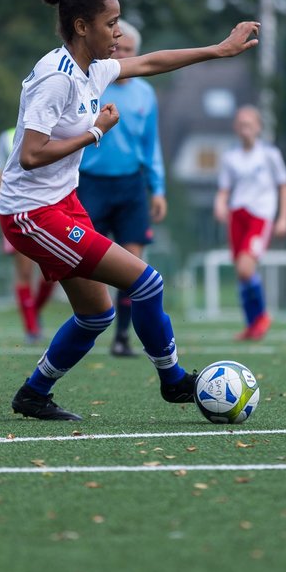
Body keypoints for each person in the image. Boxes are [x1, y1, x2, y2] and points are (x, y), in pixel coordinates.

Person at [0, 0, 259, 421]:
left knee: (96, 315)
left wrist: (219, 50)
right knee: (147, 282)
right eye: (111, 23)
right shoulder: (56, 77)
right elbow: (31, 156)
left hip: (61, 205)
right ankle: (173, 380)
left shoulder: (91, 71)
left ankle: (33, 394)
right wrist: (94, 133)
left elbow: (152, 62)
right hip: (31, 214)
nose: (118, 32)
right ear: (82, 27)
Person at [75, 21, 167, 358]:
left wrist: (158, 188)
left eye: (129, 50)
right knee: (88, 263)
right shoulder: (94, 84)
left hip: (131, 186)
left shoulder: (145, 93)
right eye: (119, 48)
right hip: (91, 185)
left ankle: (123, 338)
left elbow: (151, 143)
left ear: (136, 53)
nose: (122, 53)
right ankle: (89, 326)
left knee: (133, 265)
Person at [213, 105, 286, 341]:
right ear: (236, 128)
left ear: (258, 127)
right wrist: (220, 204)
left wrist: (283, 218)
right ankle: (252, 325)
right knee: (241, 273)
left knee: (246, 268)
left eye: (249, 124)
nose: (245, 128)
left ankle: (262, 316)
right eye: (241, 124)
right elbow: (224, 189)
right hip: (237, 215)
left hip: (260, 216)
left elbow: (284, 185)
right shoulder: (230, 157)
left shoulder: (270, 155)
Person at [0, 127, 56, 342]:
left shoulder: (53, 130)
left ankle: (33, 311)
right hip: (17, 212)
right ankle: (32, 328)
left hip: (48, 211)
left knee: (54, 273)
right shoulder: (6, 138)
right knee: (25, 272)